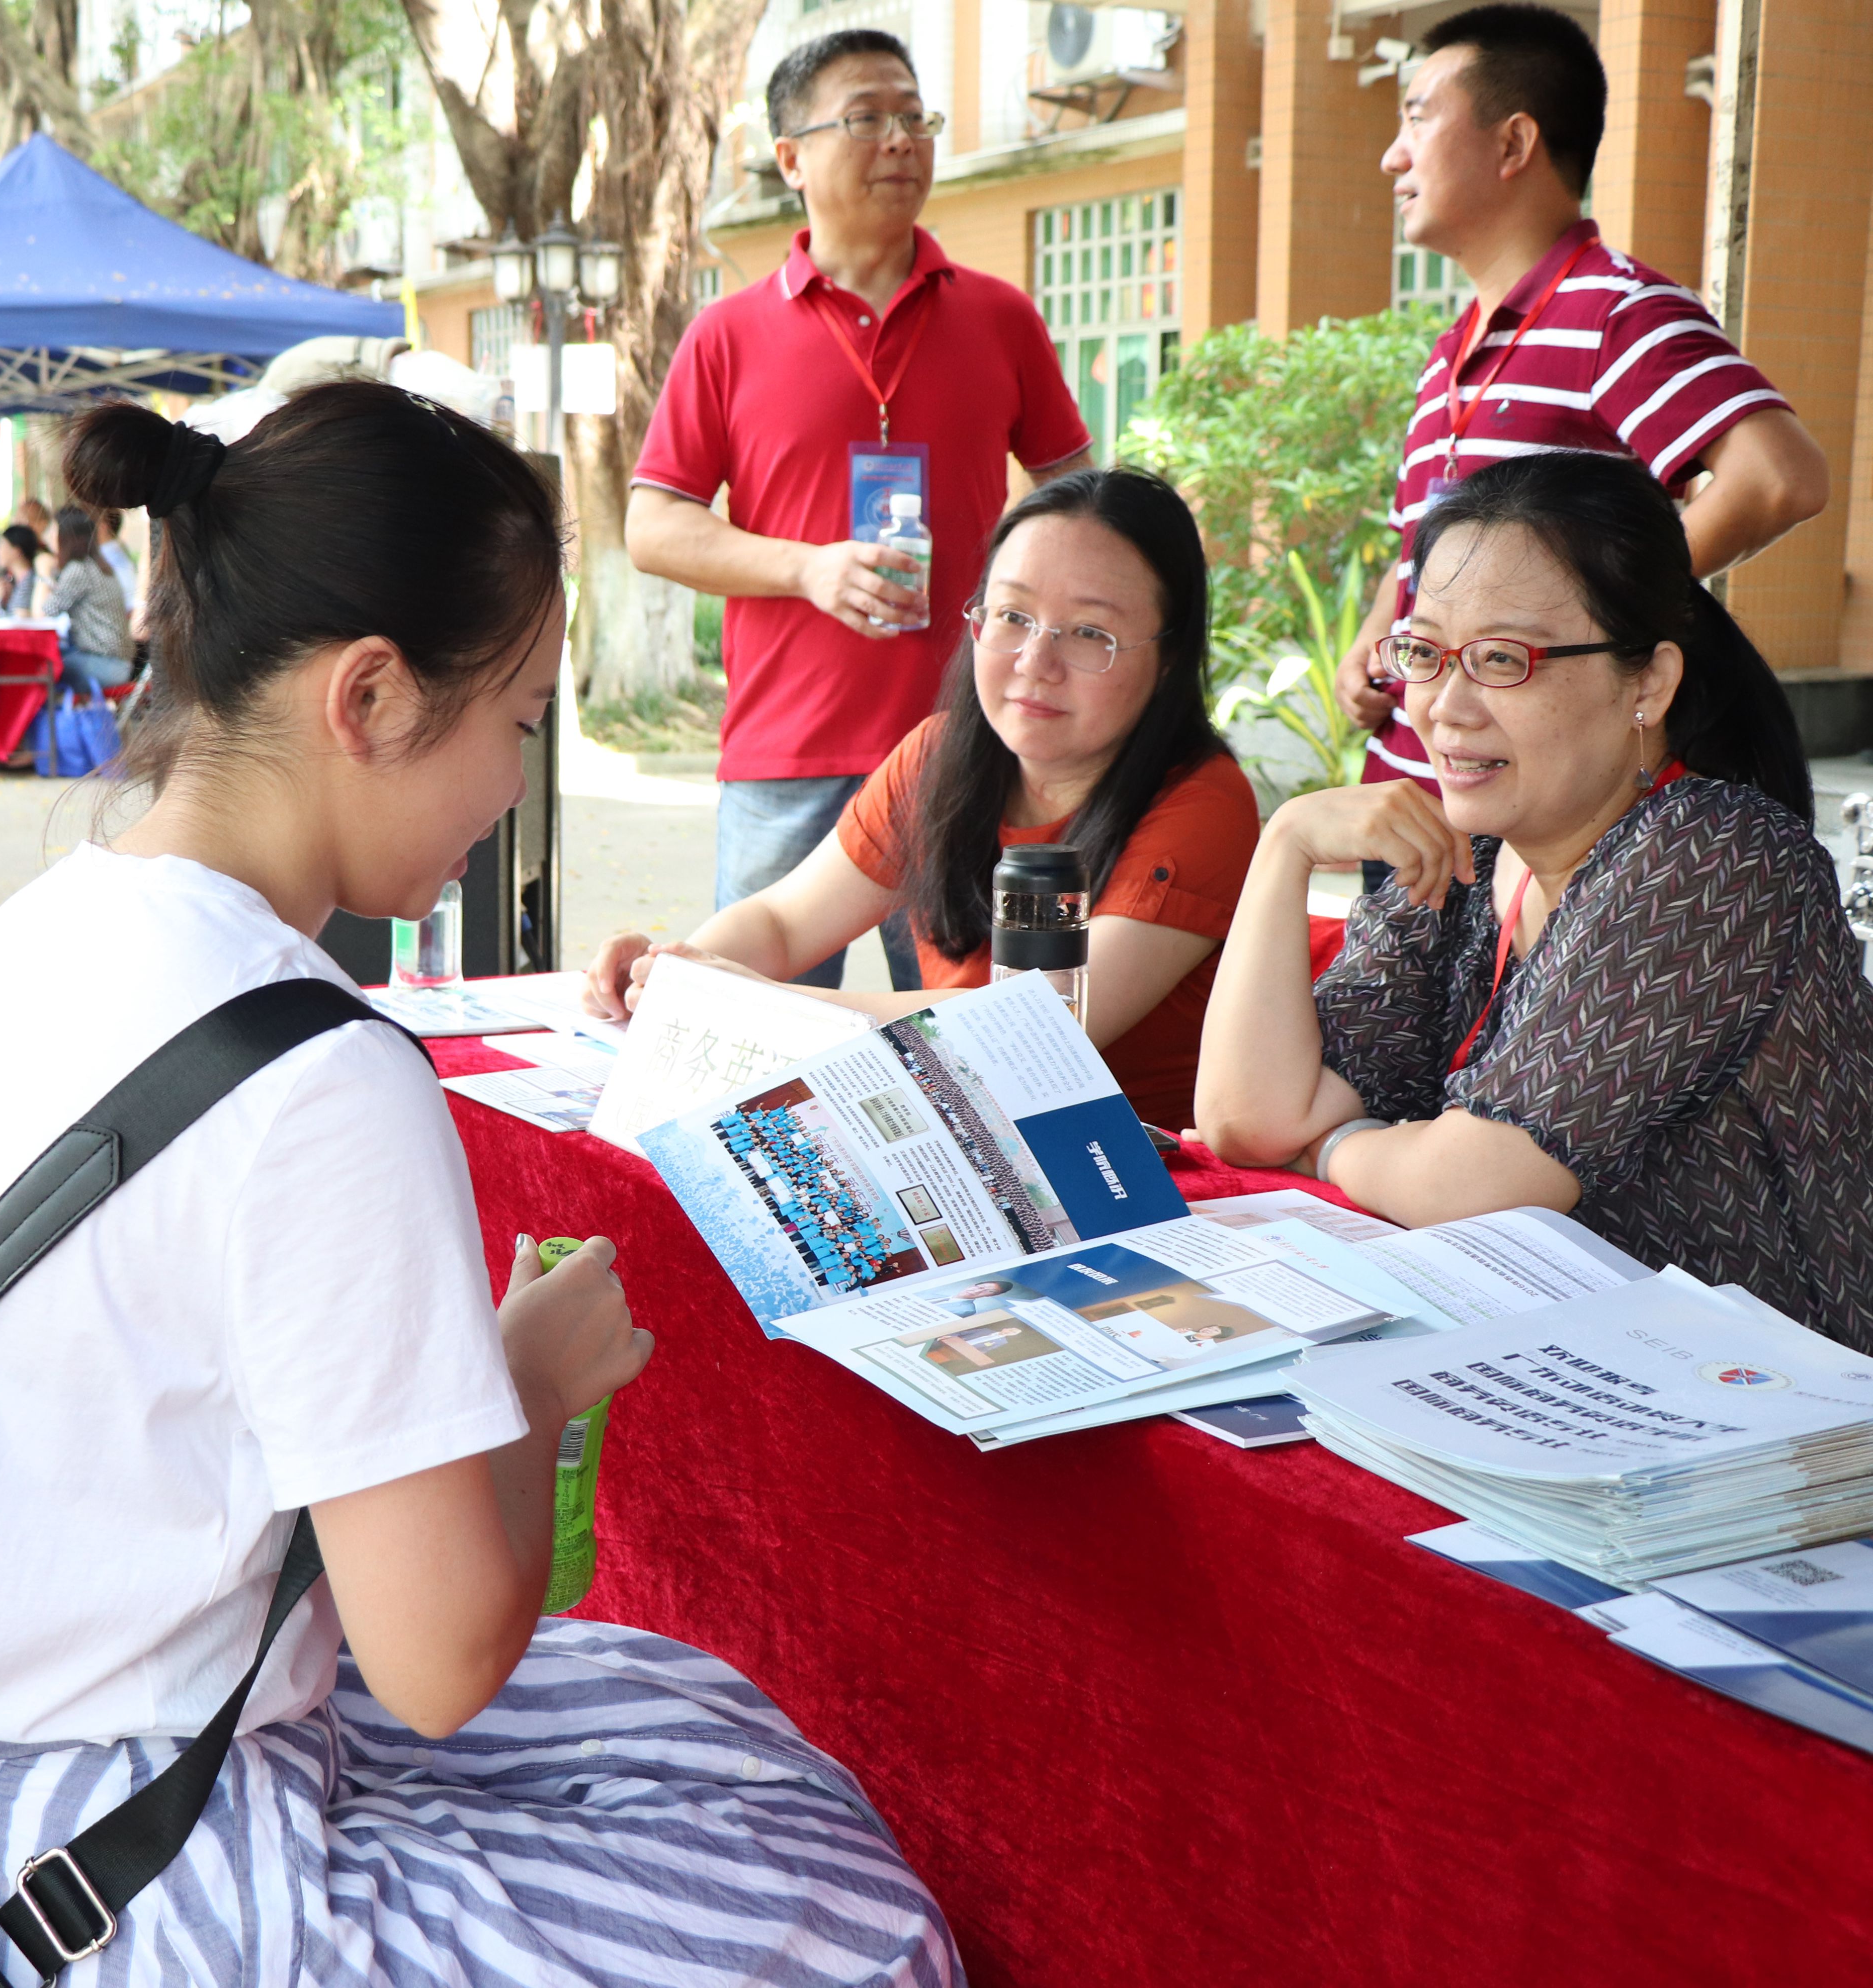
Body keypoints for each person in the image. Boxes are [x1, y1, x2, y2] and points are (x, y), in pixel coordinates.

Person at [0, 382, 957, 1988]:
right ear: (365, 698)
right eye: (513, 721)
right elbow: (438, 1666)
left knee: (712, 1730)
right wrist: (532, 1387)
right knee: (851, 1928)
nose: (513, 783)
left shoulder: (48, 927)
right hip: (127, 1867)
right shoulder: (317, 1078)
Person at [1197, 452, 1873, 1342]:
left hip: (1789, 1408)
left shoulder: (1716, 855)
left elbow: (1474, 1183)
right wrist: (1281, 849)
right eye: (1426, 651)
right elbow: (1248, 1115)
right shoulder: (1470, 850)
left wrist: (1334, 1146)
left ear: (1648, 683)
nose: (1445, 707)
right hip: (1560, 1361)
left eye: (1502, 659)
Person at [628, 28, 1092, 988]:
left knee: (988, 1044)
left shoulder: (1000, 318)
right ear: (790, 156)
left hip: (969, 745)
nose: (900, 141)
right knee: (756, 1039)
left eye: (914, 117)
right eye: (866, 118)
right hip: (784, 755)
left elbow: (1082, 496)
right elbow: (654, 526)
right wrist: (807, 566)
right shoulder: (727, 334)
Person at [589, 468, 1257, 1130]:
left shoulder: (1204, 804)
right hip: (942, 1134)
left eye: (1088, 633)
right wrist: (676, 977)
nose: (1033, 660)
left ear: (1168, 657)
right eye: (1013, 616)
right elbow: (783, 923)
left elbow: (1026, 1036)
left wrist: (756, 1003)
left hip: (1129, 1174)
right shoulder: (939, 757)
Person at [1332, 4, 1824, 843]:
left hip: (1532, 833)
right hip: (1412, 817)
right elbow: (1418, 549)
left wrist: (1599, 618)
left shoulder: (1613, 312)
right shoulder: (1451, 348)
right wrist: (1380, 635)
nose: (1392, 155)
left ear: (1513, 142)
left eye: (1417, 116)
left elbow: (1778, 478)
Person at [33, 502, 133, 690]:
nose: (48, 538)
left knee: (39, 668)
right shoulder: (95, 565)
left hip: (107, 665)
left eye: (54, 531)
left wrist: (43, 573)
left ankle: (48, 720)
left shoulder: (78, 570)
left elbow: (41, 614)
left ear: (67, 537)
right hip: (117, 663)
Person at [0, 521, 42, 616]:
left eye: (3, 546)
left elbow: (20, 618)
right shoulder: (16, 582)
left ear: (17, 551)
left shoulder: (30, 582)